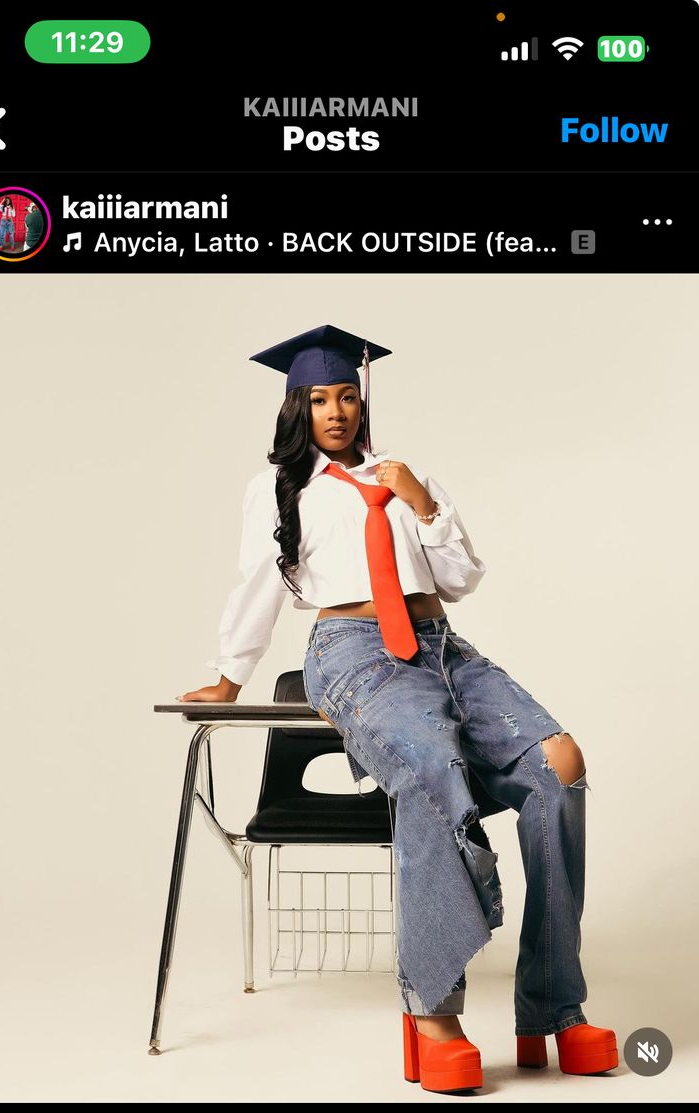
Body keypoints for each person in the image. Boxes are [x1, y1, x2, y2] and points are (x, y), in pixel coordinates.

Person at [177, 325, 618, 1092]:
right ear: (297, 407)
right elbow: (258, 582)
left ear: (363, 396)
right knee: (430, 768)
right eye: (319, 399)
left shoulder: (406, 475)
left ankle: (553, 1004)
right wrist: (228, 674)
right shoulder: (279, 487)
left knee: (559, 766)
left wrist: (419, 500)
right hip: (351, 651)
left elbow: (461, 575)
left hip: (441, 642)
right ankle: (434, 1011)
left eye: (347, 394)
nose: (337, 411)